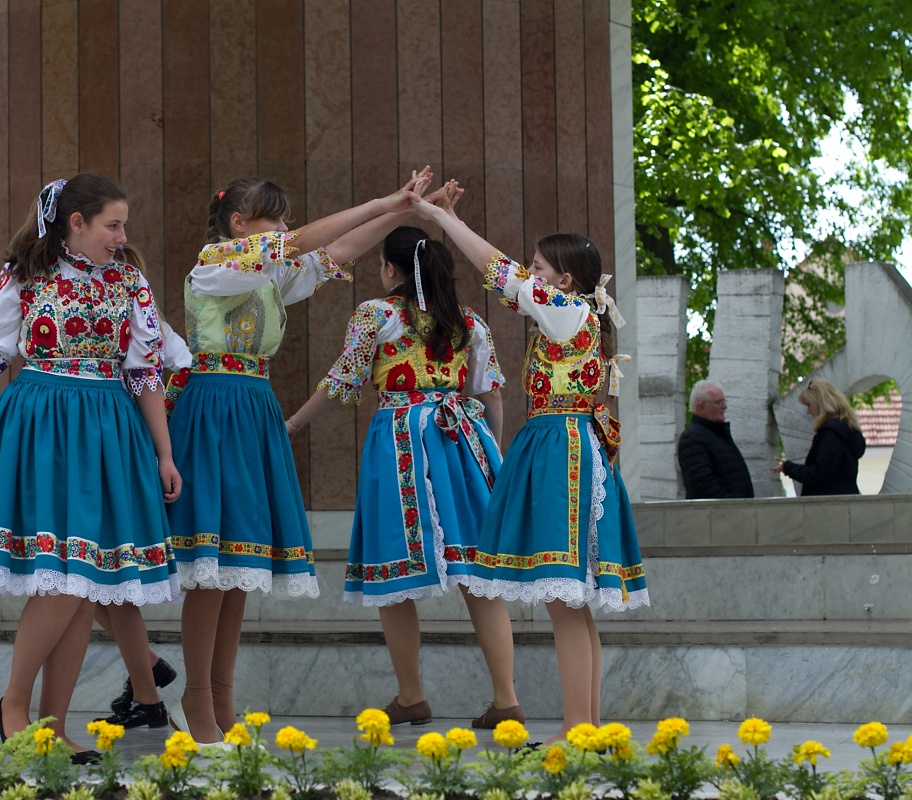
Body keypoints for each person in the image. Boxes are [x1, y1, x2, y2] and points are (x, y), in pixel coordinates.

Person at [0, 174, 180, 756]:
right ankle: (15, 705)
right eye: (113, 225)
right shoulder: (25, 275)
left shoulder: (130, 281)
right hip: (42, 425)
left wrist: (164, 453)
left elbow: (145, 373)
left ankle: (51, 726)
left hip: (107, 429)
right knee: (64, 576)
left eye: (123, 224)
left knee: (83, 582)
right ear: (76, 223)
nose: (122, 236)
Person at [166, 172, 427, 745]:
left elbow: (336, 252)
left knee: (239, 563)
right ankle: (196, 697)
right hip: (214, 407)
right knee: (212, 566)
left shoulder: (267, 275)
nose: (286, 229)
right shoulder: (215, 263)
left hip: (252, 406)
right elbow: (307, 242)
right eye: (275, 219)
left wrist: (402, 210)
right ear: (240, 225)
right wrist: (380, 198)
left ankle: (221, 695)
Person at [411, 182, 649, 744]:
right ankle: (586, 727)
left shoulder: (568, 311)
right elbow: (508, 277)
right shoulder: (574, 316)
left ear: (564, 281)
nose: (530, 273)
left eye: (539, 267)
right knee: (573, 602)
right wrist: (448, 221)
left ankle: (577, 732)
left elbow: (501, 272)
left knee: (565, 597)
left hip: (562, 448)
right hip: (561, 443)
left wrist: (446, 222)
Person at [285, 222, 522, 729]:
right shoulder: (469, 321)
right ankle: (507, 699)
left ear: (391, 269)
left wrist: (294, 423)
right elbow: (492, 394)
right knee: (479, 573)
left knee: (392, 568)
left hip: (400, 441)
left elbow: (342, 380)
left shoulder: (376, 314)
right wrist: (492, 458)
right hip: (463, 440)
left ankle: (411, 694)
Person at [90, 242, 185, 725]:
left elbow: (177, 369)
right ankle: (147, 679)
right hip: (100, 446)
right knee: (90, 576)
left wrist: (161, 445)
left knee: (104, 576)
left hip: (124, 451)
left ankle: (148, 688)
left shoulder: (152, 327)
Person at [772, 378, 866, 495]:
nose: (808, 412)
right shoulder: (844, 431)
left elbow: (819, 475)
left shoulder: (832, 434)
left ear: (820, 403)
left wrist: (789, 468)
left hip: (829, 502)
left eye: (809, 405)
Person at [677, 379, 755, 499]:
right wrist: (732, 505)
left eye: (724, 401)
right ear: (701, 407)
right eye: (719, 402)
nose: (725, 406)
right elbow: (703, 486)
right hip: (722, 510)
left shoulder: (717, 434)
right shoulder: (692, 439)